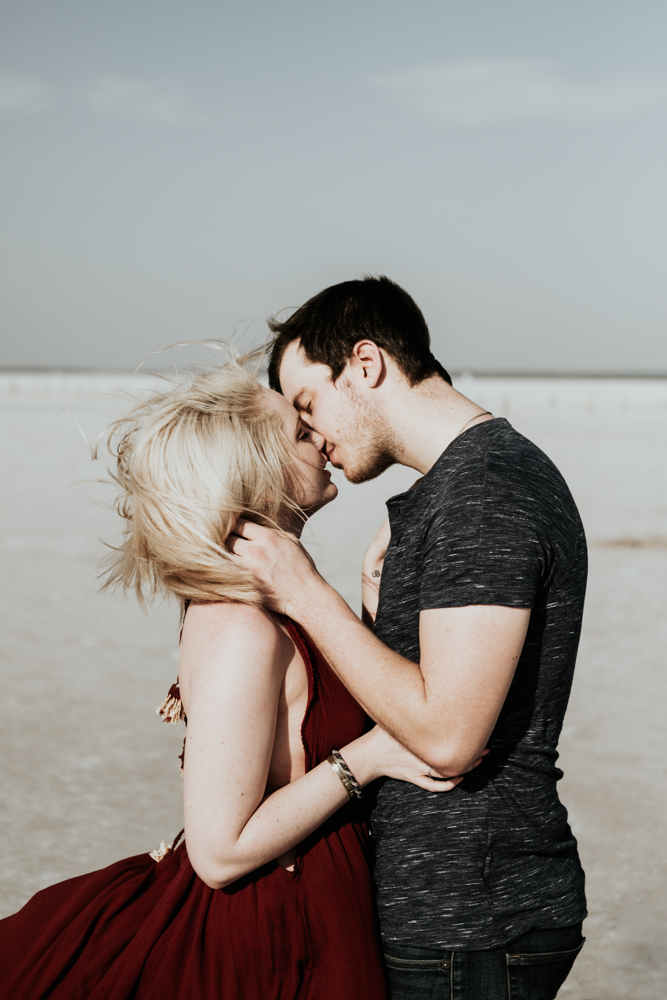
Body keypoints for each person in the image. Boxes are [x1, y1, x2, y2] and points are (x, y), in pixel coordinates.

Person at [0, 355, 470, 1000]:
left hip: (311, 903)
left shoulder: (273, 603)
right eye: (300, 434)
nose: (321, 438)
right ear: (252, 474)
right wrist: (371, 756)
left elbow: (307, 724)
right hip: (269, 933)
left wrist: (364, 601)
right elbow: (220, 853)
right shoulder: (238, 627)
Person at [229, 276, 588, 1000]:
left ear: (365, 365)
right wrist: (373, 615)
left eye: (307, 404)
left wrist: (307, 593)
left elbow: (448, 739)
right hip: (455, 906)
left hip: (470, 915)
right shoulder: (460, 487)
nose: (313, 436)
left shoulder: (483, 492)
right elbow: (421, 702)